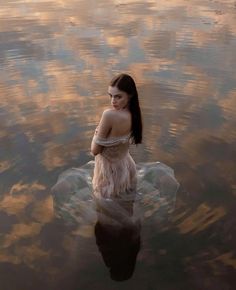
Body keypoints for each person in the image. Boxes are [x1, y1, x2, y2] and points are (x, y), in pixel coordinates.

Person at [91, 73, 142, 199]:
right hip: (126, 168)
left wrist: (95, 134)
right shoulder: (135, 115)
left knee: (104, 211)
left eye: (118, 97)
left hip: (108, 173)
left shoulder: (109, 115)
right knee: (126, 209)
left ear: (129, 95)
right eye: (111, 96)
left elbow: (95, 151)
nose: (113, 101)